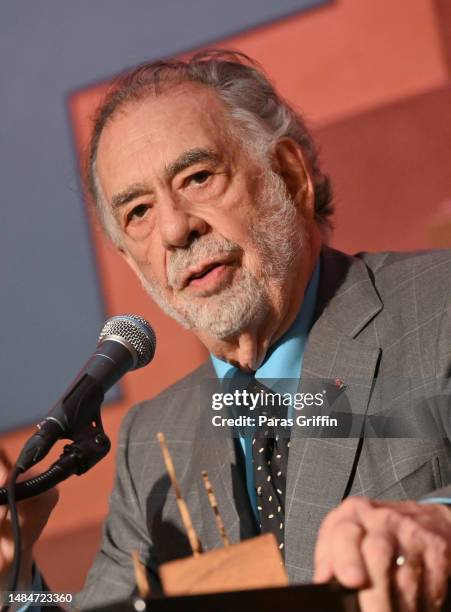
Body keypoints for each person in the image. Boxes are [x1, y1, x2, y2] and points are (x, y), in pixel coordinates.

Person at [1, 50, 450, 612]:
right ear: (129, 258)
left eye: (198, 177)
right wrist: (11, 572)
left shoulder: (441, 307)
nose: (174, 228)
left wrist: (440, 522)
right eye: (138, 211)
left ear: (290, 176)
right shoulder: (152, 442)